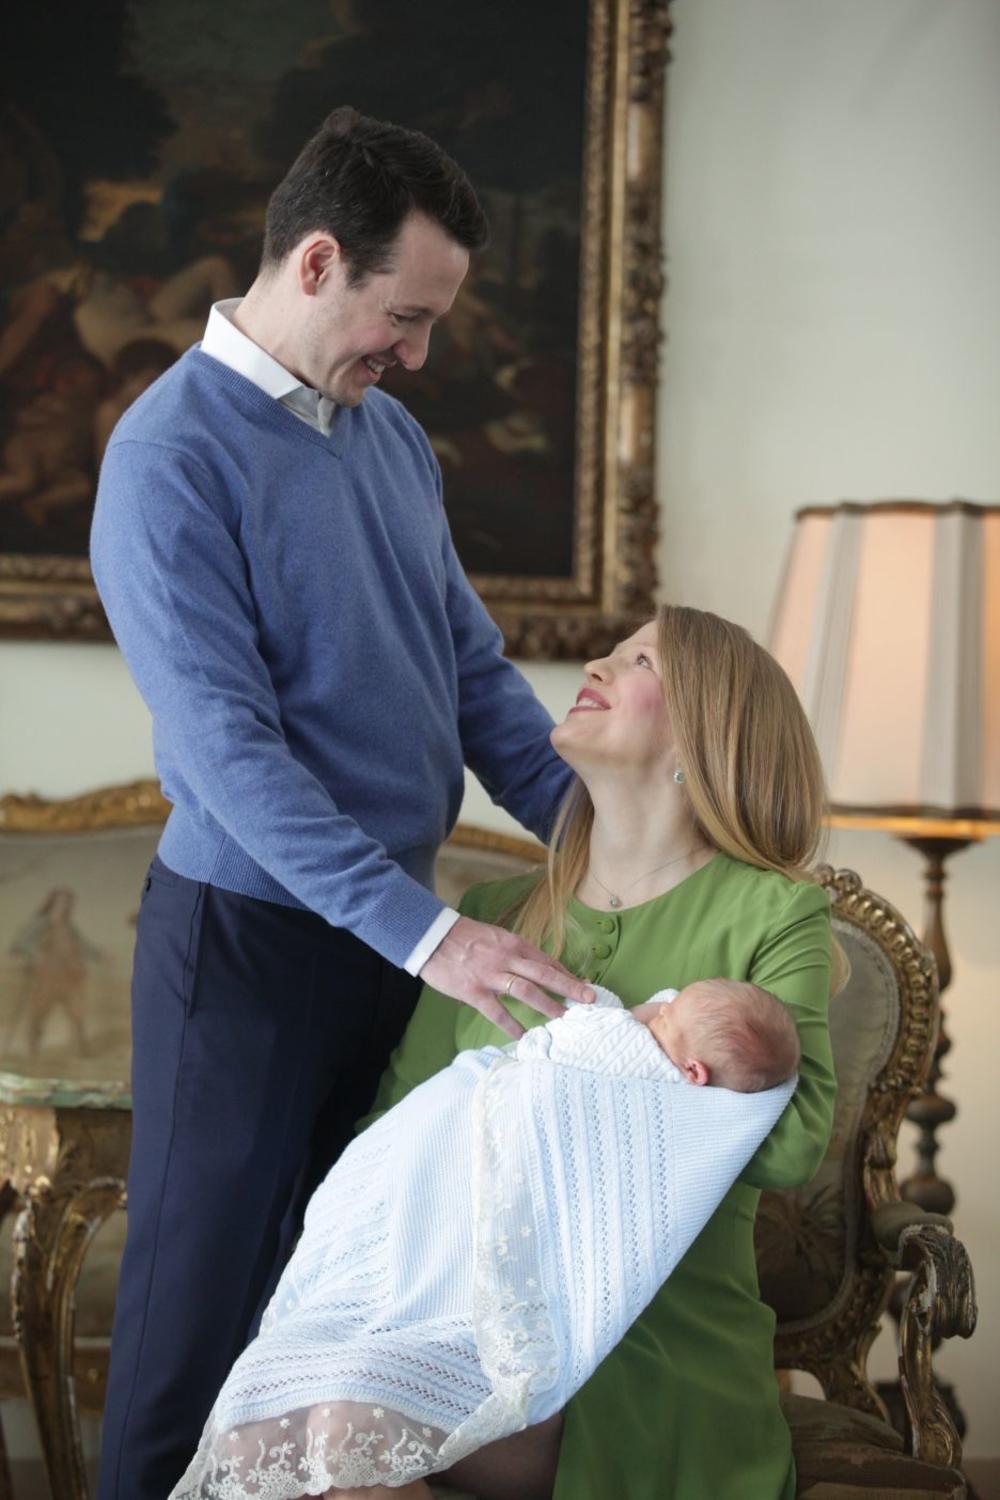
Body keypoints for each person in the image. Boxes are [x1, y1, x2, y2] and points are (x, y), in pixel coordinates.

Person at [89, 107, 594, 1500]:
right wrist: (436, 938)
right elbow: (229, 758)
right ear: (316, 262)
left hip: (387, 949)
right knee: (193, 1340)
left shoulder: (391, 440)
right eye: (405, 317)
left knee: (326, 1346)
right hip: (243, 952)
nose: (416, 355)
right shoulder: (165, 455)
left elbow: (475, 681)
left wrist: (616, 843)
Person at [322, 603, 835, 1500]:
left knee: (342, 1436)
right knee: (316, 1414)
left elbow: (793, 1146)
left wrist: (598, 1082)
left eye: (639, 662)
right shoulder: (488, 919)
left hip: (654, 1350)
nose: (596, 664)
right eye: (610, 650)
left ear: (703, 737)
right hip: (466, 1327)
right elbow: (391, 1133)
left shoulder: (774, 911)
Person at [168, 978, 802, 1500]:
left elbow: (600, 1080)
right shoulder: (494, 924)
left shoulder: (649, 1077)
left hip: (514, 1334)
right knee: (260, 1423)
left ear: (692, 1072)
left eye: (664, 1018)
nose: (653, 1011)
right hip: (425, 1224)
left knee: (345, 1428)